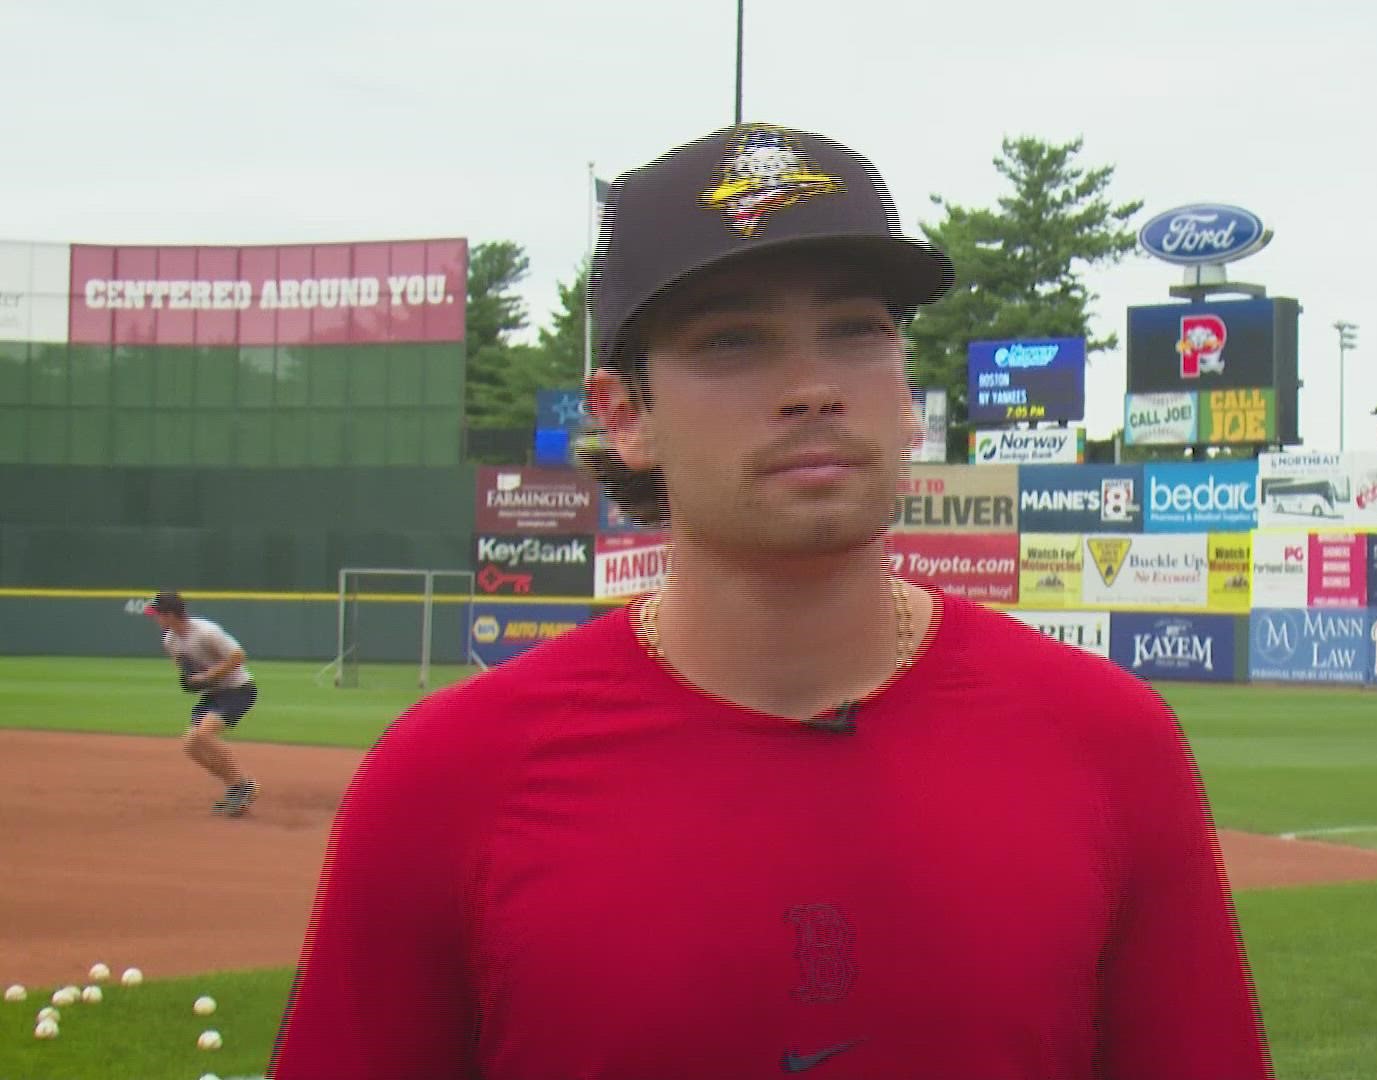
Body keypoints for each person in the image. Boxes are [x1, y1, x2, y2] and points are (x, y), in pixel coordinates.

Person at [270, 122, 1273, 1079]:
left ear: (907, 390)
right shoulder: (449, 780)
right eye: (733, 341)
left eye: (854, 332)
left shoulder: (1106, 741)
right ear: (625, 417)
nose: (811, 388)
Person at [145, 591, 258, 816]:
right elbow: (185, 669)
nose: (155, 619)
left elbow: (238, 657)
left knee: (203, 736)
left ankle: (246, 786)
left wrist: (208, 677)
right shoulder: (170, 640)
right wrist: (190, 679)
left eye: (157, 614)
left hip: (238, 690)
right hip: (214, 694)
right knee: (191, 747)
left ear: (170, 615)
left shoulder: (207, 632)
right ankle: (236, 786)